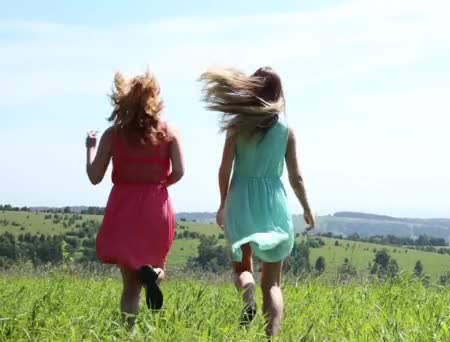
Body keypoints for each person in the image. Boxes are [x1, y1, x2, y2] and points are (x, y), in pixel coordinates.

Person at [200, 66, 314, 337]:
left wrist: (222, 203)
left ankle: (247, 294)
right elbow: (296, 176)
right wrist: (307, 209)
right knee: (272, 284)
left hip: (240, 201)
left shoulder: (237, 128)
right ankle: (271, 337)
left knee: (243, 268)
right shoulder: (286, 132)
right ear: (278, 93)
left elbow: (224, 169)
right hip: (273, 205)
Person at [85, 71, 184, 326]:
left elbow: (95, 176)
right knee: (155, 267)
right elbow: (180, 171)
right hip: (156, 206)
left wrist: (90, 146)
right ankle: (154, 276)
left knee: (130, 288)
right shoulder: (169, 132)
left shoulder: (113, 134)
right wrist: (160, 186)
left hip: (124, 208)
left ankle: (127, 334)